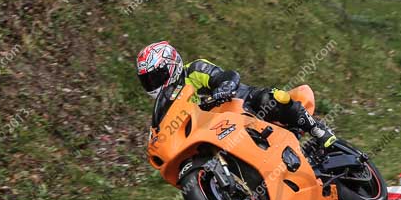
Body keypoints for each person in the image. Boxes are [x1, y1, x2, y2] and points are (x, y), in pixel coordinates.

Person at [135, 41, 337, 149]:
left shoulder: (194, 70)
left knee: (270, 98)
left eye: (156, 77)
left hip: (243, 105)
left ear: (172, 66)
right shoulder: (167, 103)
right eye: (148, 81)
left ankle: (317, 129)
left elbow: (226, 76)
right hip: (216, 132)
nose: (153, 84)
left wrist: (223, 88)